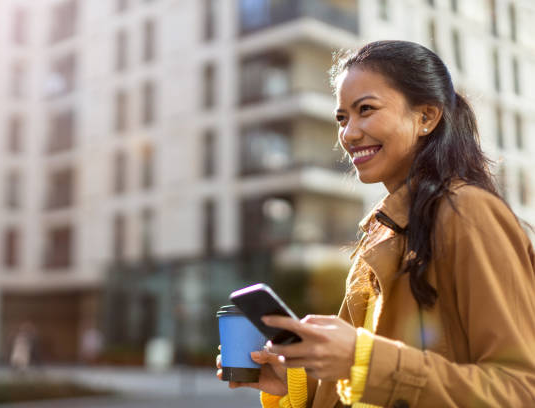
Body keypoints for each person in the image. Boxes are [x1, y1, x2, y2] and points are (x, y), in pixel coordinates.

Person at [216, 40, 535, 407]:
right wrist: (294, 383)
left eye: (365, 110)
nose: (349, 134)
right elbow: (366, 388)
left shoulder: (469, 213)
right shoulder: (381, 234)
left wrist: (358, 358)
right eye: (341, 118)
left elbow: (521, 390)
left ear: (426, 117)